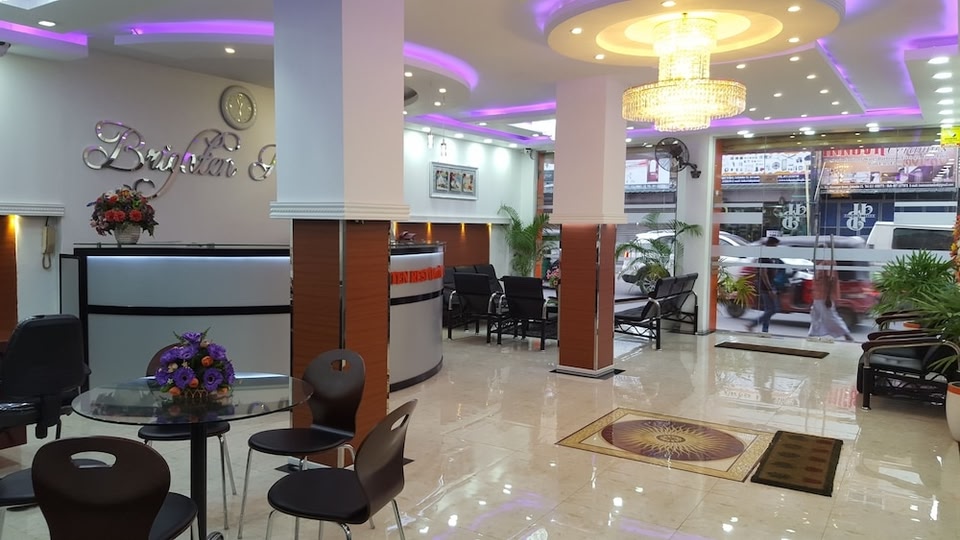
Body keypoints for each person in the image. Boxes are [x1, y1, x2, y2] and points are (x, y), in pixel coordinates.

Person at [808, 258, 854, 341]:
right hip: (818, 295)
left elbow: (831, 280)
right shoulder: (819, 263)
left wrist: (828, 297)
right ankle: (812, 334)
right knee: (815, 314)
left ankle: (846, 334)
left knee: (830, 316)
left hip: (824, 295)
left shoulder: (828, 262)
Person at [746, 236, 782, 333]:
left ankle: (765, 330)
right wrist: (770, 289)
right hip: (765, 286)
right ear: (770, 245)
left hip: (769, 285)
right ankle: (753, 324)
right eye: (775, 246)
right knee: (773, 309)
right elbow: (763, 274)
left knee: (769, 309)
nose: (776, 248)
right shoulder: (764, 258)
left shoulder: (770, 257)